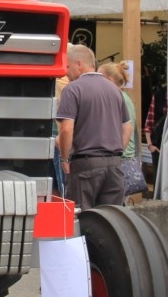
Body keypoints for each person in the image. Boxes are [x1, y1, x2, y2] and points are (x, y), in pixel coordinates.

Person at [56, 44, 131, 210]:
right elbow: (127, 127)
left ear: (79, 64)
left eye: (67, 66)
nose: (65, 73)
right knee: (110, 218)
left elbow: (66, 129)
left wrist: (64, 158)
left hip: (85, 164)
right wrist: (116, 152)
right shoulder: (115, 90)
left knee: (82, 217)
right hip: (114, 164)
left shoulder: (73, 89)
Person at [98, 60, 144, 203]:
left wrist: (116, 155)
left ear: (110, 80)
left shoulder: (120, 97)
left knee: (113, 205)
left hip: (123, 159)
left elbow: (127, 128)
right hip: (122, 158)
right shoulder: (123, 96)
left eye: (99, 77)